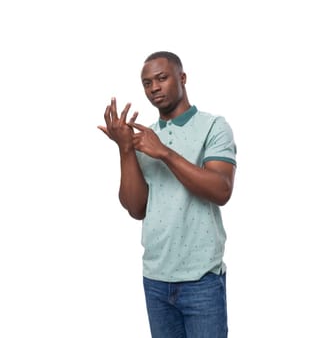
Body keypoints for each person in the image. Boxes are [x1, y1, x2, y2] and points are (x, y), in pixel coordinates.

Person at [98, 51, 237, 338]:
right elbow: (137, 209)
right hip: (156, 278)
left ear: (182, 78)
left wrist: (164, 152)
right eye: (147, 83)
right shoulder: (144, 138)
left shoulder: (214, 126)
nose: (154, 88)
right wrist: (125, 148)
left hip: (201, 279)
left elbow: (221, 190)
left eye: (161, 78)